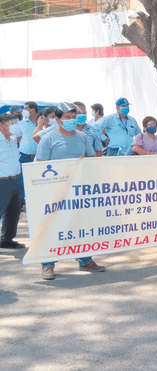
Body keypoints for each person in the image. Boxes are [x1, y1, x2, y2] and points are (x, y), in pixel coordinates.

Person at [36, 102, 103, 280]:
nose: (72, 121)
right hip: (55, 191)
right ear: (57, 119)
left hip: (79, 190)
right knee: (53, 227)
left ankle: (85, 260)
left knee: (80, 225)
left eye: (74, 118)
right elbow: (41, 165)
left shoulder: (82, 137)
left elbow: (90, 158)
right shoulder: (48, 138)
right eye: (67, 118)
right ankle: (48, 265)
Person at [0, 113, 25, 250]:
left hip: (15, 179)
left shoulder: (12, 138)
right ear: (1, 124)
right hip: (2, 181)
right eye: (11, 122)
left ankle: (7, 239)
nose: (14, 124)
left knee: (14, 211)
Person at [13, 101, 39, 205]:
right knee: (22, 182)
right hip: (23, 156)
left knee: (37, 181)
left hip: (38, 157)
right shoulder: (22, 123)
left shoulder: (42, 122)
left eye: (25, 108)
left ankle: (35, 203)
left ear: (33, 110)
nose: (24, 111)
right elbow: (17, 138)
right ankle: (20, 203)